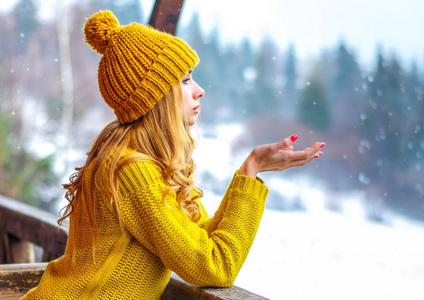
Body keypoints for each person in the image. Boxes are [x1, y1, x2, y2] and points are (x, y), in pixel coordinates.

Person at [22, 10, 325, 300]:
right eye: (184, 80)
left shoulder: (139, 160)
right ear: (155, 96)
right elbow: (215, 266)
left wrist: (251, 169)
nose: (199, 90)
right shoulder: (132, 171)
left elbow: (198, 237)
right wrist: (251, 170)